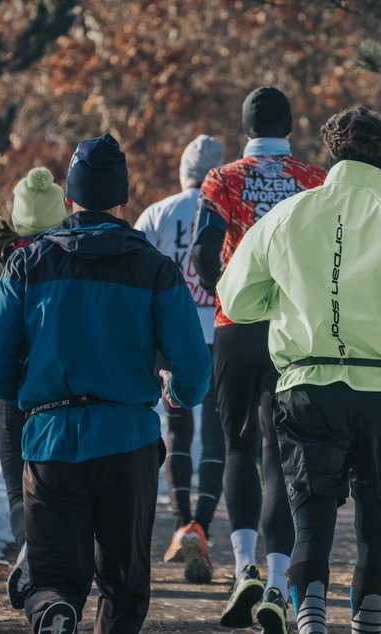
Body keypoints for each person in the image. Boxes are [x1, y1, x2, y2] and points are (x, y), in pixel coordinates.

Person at [218, 105, 381, 633]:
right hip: (380, 384)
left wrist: (286, 298)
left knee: (312, 513)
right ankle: (368, 618)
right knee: (374, 518)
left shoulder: (289, 214)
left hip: (306, 382)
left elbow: (234, 296)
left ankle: (309, 614)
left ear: (331, 155)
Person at [0, 133, 212, 634]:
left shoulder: (26, 263)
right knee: (124, 586)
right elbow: (193, 365)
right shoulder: (155, 268)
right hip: (129, 440)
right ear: (123, 200)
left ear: (69, 200)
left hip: (50, 440)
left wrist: (32, 392)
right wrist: (178, 393)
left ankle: (56, 609)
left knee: (53, 577)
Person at [191, 86, 327, 631]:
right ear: (290, 127)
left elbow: (203, 253)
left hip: (236, 327)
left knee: (237, 446)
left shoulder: (221, 179)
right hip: (292, 331)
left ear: (244, 128)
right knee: (281, 454)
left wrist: (232, 295)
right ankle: (276, 583)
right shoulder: (314, 179)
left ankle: (243, 566)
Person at [0, 166, 68, 609]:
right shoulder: (71, 257)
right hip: (58, 392)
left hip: (10, 393)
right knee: (58, 483)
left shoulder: (1, 260)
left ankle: (29, 547)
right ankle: (61, 564)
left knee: (16, 488)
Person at [135, 134, 226, 583]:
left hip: (172, 339)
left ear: (183, 171)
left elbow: (132, 272)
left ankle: (180, 524)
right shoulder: (228, 208)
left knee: (179, 432)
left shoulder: (157, 212)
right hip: (223, 333)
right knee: (218, 434)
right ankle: (203, 527)